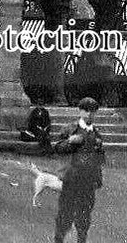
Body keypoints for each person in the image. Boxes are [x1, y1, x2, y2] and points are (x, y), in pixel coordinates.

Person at [52, 96, 105, 243]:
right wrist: (70, 141)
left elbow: (101, 160)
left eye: (92, 112)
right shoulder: (70, 129)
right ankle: (59, 239)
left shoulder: (96, 133)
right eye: (86, 111)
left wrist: (99, 149)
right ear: (80, 111)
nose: (89, 114)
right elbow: (57, 148)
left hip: (88, 180)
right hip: (71, 178)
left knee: (84, 215)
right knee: (65, 212)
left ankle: (82, 240)